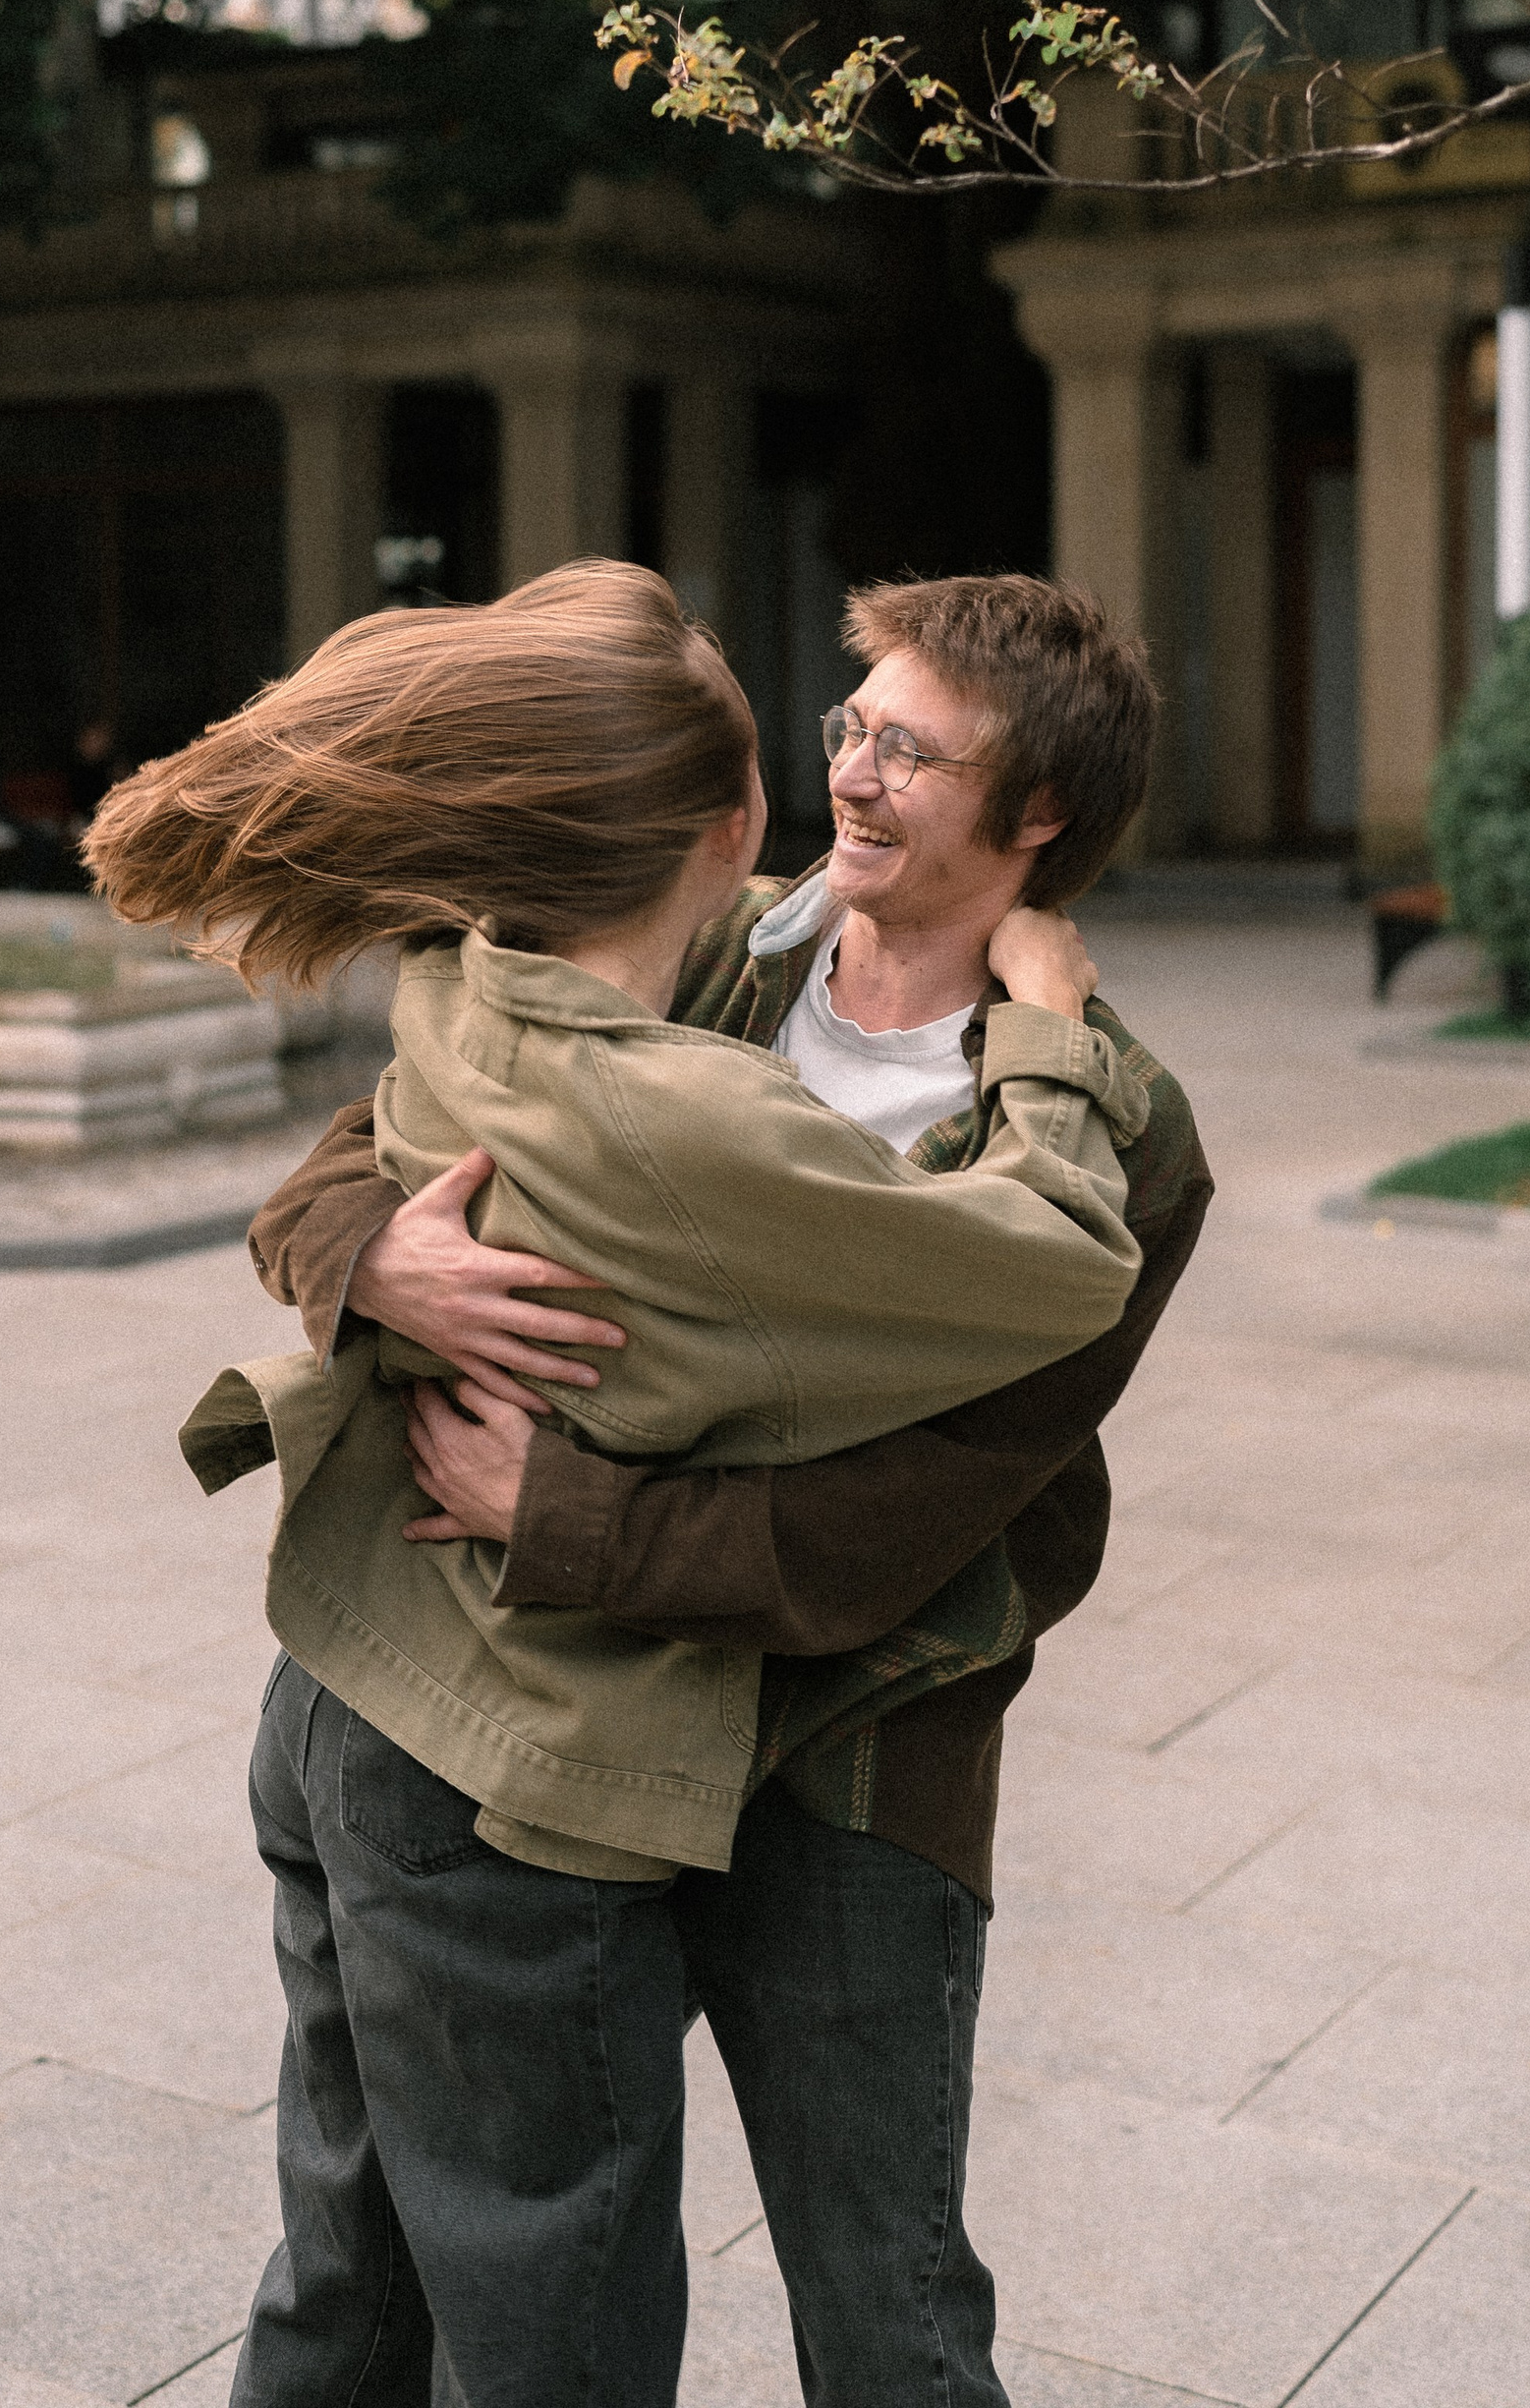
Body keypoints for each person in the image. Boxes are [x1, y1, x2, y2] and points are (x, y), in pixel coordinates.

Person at [85, 562, 1165, 2407]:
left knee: (884, 2308)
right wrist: (378, 1258)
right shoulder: (719, 951)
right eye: (849, 726)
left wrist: (563, 1517)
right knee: (458, 2288)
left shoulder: (1123, 1113)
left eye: (911, 751)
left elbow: (930, 1515)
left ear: (1040, 811)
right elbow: (347, 1165)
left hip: (843, 1761)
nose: (850, 773)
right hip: (552, 1748)